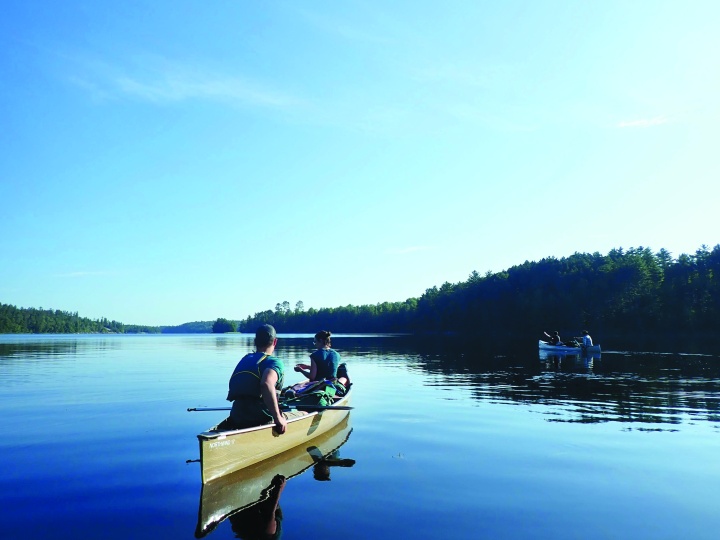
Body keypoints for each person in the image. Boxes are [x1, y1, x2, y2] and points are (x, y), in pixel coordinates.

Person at [225, 324, 302, 434]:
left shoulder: (246, 359)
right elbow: (266, 384)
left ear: (255, 341)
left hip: (237, 416)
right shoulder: (274, 362)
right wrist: (278, 418)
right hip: (261, 418)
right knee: (303, 413)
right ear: (275, 342)